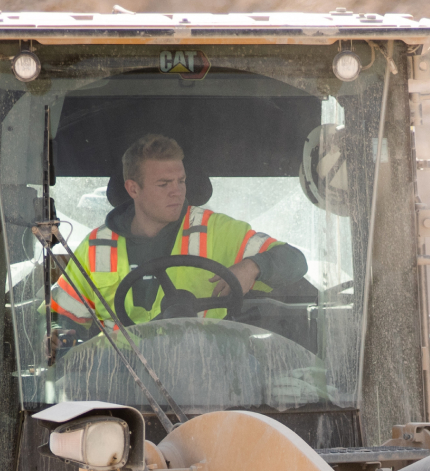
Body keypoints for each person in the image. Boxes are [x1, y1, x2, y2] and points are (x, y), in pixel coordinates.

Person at [50, 134, 308, 329]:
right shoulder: (96, 247)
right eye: (163, 184)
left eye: (181, 181)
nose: (177, 191)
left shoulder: (217, 231)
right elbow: (59, 319)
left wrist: (252, 266)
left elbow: (295, 260)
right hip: (125, 383)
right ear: (133, 189)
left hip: (209, 376)